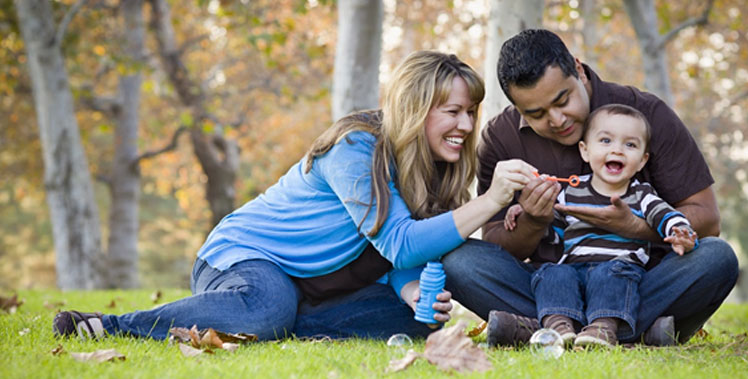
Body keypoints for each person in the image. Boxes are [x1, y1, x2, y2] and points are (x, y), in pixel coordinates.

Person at [52, 50, 539, 341]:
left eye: (471, 112)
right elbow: (402, 242)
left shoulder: (433, 167)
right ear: (416, 107)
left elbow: (400, 257)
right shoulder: (357, 145)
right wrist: (493, 199)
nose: (466, 126)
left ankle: (274, 321)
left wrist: (412, 292)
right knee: (267, 306)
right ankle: (114, 326)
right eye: (453, 111)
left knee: (416, 321)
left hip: (318, 287)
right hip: (244, 258)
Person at [441, 29, 739, 346]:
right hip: (552, 284)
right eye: (536, 114)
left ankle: (543, 331)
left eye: (562, 100)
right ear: (516, 106)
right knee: (457, 259)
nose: (556, 119)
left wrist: (636, 227)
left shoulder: (646, 115)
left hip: (640, 282)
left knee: (716, 258)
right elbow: (499, 245)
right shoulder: (501, 138)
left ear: (579, 71)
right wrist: (533, 221)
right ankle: (630, 333)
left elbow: (707, 219)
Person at [505, 104, 698, 348]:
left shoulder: (641, 194)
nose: (617, 149)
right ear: (585, 151)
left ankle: (603, 328)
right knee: (552, 272)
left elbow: (666, 216)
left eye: (630, 145)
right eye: (605, 140)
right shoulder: (570, 191)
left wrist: (680, 232)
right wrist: (526, 213)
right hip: (574, 271)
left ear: (642, 160)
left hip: (617, 270)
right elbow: (551, 232)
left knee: (612, 274)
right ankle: (559, 325)